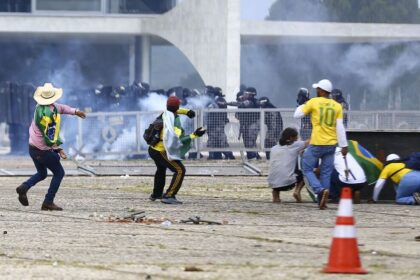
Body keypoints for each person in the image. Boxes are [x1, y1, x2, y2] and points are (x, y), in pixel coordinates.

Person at [16, 83, 86, 211]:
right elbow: (49, 137)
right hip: (43, 150)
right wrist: (59, 149)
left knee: (42, 173)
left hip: (33, 148)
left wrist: (75, 111)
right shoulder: (45, 116)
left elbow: (62, 108)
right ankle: (48, 201)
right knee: (59, 172)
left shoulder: (44, 106)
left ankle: (24, 187)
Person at [294, 79, 348, 210]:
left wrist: (305, 104)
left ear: (322, 91)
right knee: (326, 173)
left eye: (317, 89)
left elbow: (297, 115)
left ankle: (319, 190)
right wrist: (344, 146)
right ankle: (322, 200)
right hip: (332, 144)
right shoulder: (337, 106)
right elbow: (340, 127)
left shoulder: (314, 102)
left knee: (306, 168)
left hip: (317, 143)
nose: (316, 90)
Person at [148, 96, 206, 204]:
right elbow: (178, 140)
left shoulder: (165, 114)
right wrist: (195, 135)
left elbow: (174, 109)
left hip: (152, 149)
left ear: (167, 105)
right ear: (177, 107)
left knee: (161, 169)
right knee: (180, 170)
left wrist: (187, 111)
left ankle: (156, 194)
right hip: (161, 151)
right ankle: (169, 195)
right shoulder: (175, 122)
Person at [267, 127, 308, 203]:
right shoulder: (295, 145)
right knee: (305, 172)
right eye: (296, 137)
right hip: (287, 184)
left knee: (277, 169)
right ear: (291, 138)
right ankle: (297, 191)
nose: (297, 139)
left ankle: (276, 196)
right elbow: (310, 142)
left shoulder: (274, 148)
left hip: (272, 183)